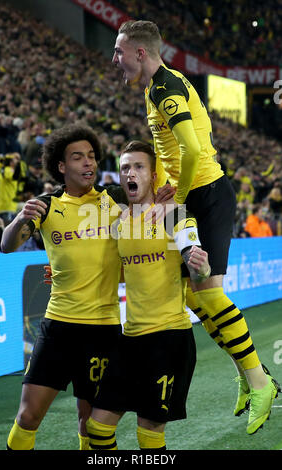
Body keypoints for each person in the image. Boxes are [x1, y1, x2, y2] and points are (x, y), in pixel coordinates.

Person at [112, 20, 280, 435]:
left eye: (119, 51)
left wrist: (181, 196)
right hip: (189, 198)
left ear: (139, 52)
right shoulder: (156, 88)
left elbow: (190, 148)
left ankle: (260, 381)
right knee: (194, 294)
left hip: (202, 195)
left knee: (207, 291)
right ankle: (247, 373)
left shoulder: (166, 87)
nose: (114, 58)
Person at [1, 123, 128, 450]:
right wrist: (17, 220)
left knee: (90, 423)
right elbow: (6, 245)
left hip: (104, 328)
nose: (88, 163)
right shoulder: (45, 205)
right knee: (28, 417)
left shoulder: (115, 200)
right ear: (61, 166)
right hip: (59, 327)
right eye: (77, 157)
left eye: (91, 156)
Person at [85, 140, 211, 450]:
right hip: (130, 340)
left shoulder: (173, 214)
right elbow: (120, 271)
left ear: (153, 176)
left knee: (149, 434)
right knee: (97, 428)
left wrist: (202, 266)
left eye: (139, 166)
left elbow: (195, 263)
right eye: (125, 167)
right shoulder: (118, 224)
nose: (131, 172)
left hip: (169, 339)